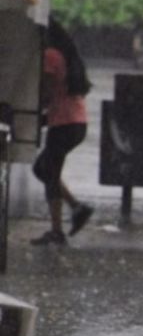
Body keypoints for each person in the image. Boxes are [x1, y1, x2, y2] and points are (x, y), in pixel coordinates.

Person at [30, 18, 95, 246]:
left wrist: (32, 109)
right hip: (76, 122)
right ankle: (77, 208)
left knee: (49, 171)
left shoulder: (50, 56)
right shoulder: (66, 55)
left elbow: (46, 92)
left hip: (64, 124)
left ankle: (57, 231)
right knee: (43, 169)